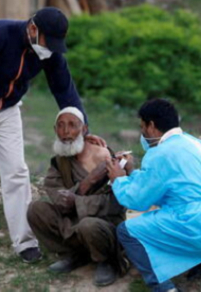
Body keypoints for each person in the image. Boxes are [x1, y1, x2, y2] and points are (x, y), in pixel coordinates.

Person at [0, 7, 96, 271]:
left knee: (17, 173)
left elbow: (63, 86)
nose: (50, 49)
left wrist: (82, 123)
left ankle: (25, 242)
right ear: (32, 29)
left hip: (8, 112)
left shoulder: (48, 51)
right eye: (48, 42)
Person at [106, 99, 201, 292]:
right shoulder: (196, 143)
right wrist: (132, 173)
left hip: (199, 226)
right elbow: (163, 188)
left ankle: (164, 288)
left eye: (142, 127)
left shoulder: (161, 153)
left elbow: (138, 200)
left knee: (127, 231)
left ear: (151, 126)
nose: (142, 134)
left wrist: (118, 180)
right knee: (173, 213)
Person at [27, 107, 126, 287]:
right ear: (54, 130)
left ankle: (107, 261)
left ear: (85, 129)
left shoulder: (104, 157)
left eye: (72, 125)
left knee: (88, 225)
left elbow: (116, 203)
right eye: (61, 126)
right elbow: (59, 198)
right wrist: (87, 183)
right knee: (36, 209)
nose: (66, 132)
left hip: (102, 223)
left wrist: (78, 201)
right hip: (75, 220)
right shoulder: (59, 161)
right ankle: (75, 254)